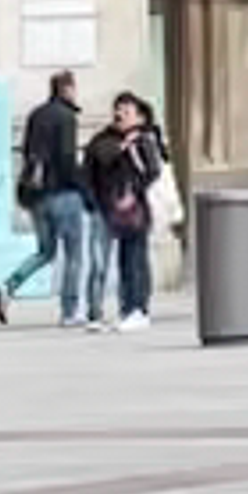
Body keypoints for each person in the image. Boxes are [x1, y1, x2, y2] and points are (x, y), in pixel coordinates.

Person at [17, 66, 93, 322]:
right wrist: (86, 193)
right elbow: (67, 159)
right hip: (63, 194)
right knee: (73, 255)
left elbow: (27, 153)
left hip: (38, 196)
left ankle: (8, 285)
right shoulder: (66, 117)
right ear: (67, 89)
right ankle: (69, 310)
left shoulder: (36, 115)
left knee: (44, 252)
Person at [81, 87, 162, 324]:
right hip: (106, 207)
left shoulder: (144, 140)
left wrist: (134, 191)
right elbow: (97, 162)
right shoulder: (105, 139)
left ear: (139, 116)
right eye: (119, 110)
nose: (121, 115)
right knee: (107, 261)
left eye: (127, 111)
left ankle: (137, 307)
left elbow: (152, 170)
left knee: (135, 258)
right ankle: (104, 311)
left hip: (134, 209)